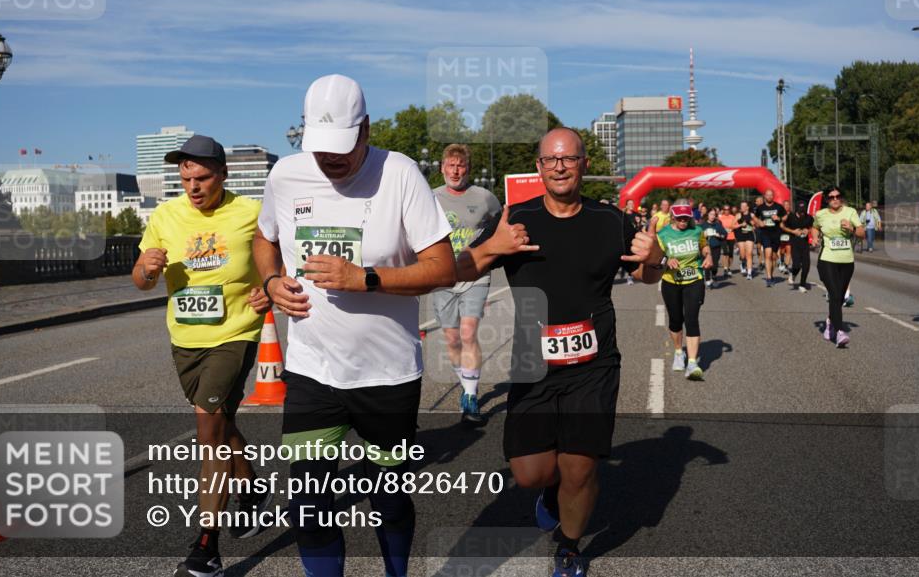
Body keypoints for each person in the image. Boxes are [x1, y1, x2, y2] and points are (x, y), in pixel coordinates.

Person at [252, 74, 456, 577]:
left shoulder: (401, 174)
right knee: (309, 507)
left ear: (366, 128)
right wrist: (273, 278)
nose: (330, 161)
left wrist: (365, 278)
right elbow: (264, 238)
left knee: (387, 501)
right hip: (311, 371)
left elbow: (442, 268)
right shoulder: (286, 176)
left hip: (387, 376)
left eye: (341, 148)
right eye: (320, 149)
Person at [456, 128, 664, 577]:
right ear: (539, 167)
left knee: (580, 468)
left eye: (568, 159)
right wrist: (493, 246)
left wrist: (656, 257)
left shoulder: (611, 221)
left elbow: (648, 276)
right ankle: (549, 495)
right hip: (533, 363)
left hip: (594, 363)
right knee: (532, 473)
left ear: (584, 164)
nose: (560, 167)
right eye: (550, 160)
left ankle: (569, 547)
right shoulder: (515, 219)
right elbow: (462, 268)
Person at [132, 135, 273, 577]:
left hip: (236, 332)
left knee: (206, 429)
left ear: (223, 175)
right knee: (222, 421)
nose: (193, 186)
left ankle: (206, 547)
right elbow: (140, 280)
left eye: (203, 177)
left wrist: (268, 286)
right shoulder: (165, 215)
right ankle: (252, 489)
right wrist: (147, 269)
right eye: (186, 177)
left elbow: (282, 261)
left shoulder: (251, 214)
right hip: (185, 339)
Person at [430, 143, 502, 423]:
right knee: (452, 337)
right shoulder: (429, 197)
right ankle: (465, 382)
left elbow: (500, 228)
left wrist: (492, 255)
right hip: (443, 276)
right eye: (451, 165)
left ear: (468, 169)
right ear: (442, 168)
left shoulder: (485, 198)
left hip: (475, 274)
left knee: (469, 332)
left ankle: (470, 395)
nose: (456, 170)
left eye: (461, 165)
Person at [657, 201, 711, 379]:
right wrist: (667, 260)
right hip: (671, 281)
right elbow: (655, 256)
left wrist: (708, 255)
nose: (683, 221)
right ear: (672, 217)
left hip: (694, 279)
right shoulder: (663, 234)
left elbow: (704, 246)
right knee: (675, 320)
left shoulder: (696, 231)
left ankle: (693, 363)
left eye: (686, 218)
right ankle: (679, 353)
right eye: (679, 218)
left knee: (691, 319)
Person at [812, 186, 864, 347]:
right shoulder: (820, 214)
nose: (835, 199)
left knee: (839, 297)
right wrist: (814, 238)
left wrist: (852, 229)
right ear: (827, 199)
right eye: (831, 197)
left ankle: (830, 322)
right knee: (834, 294)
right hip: (827, 259)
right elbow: (814, 227)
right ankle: (840, 331)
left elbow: (861, 233)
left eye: (838, 196)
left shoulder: (850, 212)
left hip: (847, 260)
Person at [752, 190, 787, 288]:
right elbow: (754, 217)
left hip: (776, 233)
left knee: (774, 256)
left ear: (773, 196)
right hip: (765, 233)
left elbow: (785, 216)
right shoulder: (760, 207)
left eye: (771, 195)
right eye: (768, 195)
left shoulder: (778, 207)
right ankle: (768, 277)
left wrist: (779, 219)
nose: (770, 197)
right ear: (765, 196)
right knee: (767, 254)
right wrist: (759, 222)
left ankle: (771, 274)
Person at [782, 200, 814, 292]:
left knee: (806, 265)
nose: (802, 213)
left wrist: (808, 230)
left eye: (803, 211)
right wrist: (793, 231)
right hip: (794, 243)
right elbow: (783, 226)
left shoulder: (809, 218)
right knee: (796, 265)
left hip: (805, 244)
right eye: (800, 211)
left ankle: (802, 285)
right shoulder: (791, 217)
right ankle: (793, 273)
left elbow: (812, 227)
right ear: (796, 210)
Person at [701, 208, 726, 288]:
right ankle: (707, 280)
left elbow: (725, 235)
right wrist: (703, 235)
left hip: (716, 247)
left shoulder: (718, 225)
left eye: (714, 215)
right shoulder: (702, 225)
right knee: (707, 264)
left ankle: (713, 276)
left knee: (715, 265)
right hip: (706, 247)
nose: (712, 216)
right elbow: (697, 236)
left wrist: (719, 235)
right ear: (707, 215)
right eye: (711, 214)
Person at [733, 200, 756, 279]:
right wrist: (740, 225)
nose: (742, 207)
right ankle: (743, 263)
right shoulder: (738, 215)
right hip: (741, 236)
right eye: (741, 206)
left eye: (743, 206)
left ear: (747, 207)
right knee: (743, 255)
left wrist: (754, 225)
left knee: (749, 254)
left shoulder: (752, 215)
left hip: (749, 235)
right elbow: (732, 226)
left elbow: (757, 224)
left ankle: (749, 273)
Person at [718, 204, 738, 277]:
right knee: (725, 252)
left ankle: (728, 267)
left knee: (730, 254)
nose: (726, 211)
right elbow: (718, 227)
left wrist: (732, 228)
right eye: (725, 209)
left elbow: (736, 225)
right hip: (723, 237)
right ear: (723, 210)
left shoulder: (733, 217)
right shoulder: (720, 218)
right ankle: (725, 268)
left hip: (731, 237)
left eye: (728, 209)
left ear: (730, 210)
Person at [777, 200, 793, 274]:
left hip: (790, 233)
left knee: (789, 250)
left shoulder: (792, 215)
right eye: (785, 205)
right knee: (782, 250)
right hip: (781, 234)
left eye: (788, 205)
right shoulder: (780, 214)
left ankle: (786, 267)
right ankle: (782, 261)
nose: (787, 206)